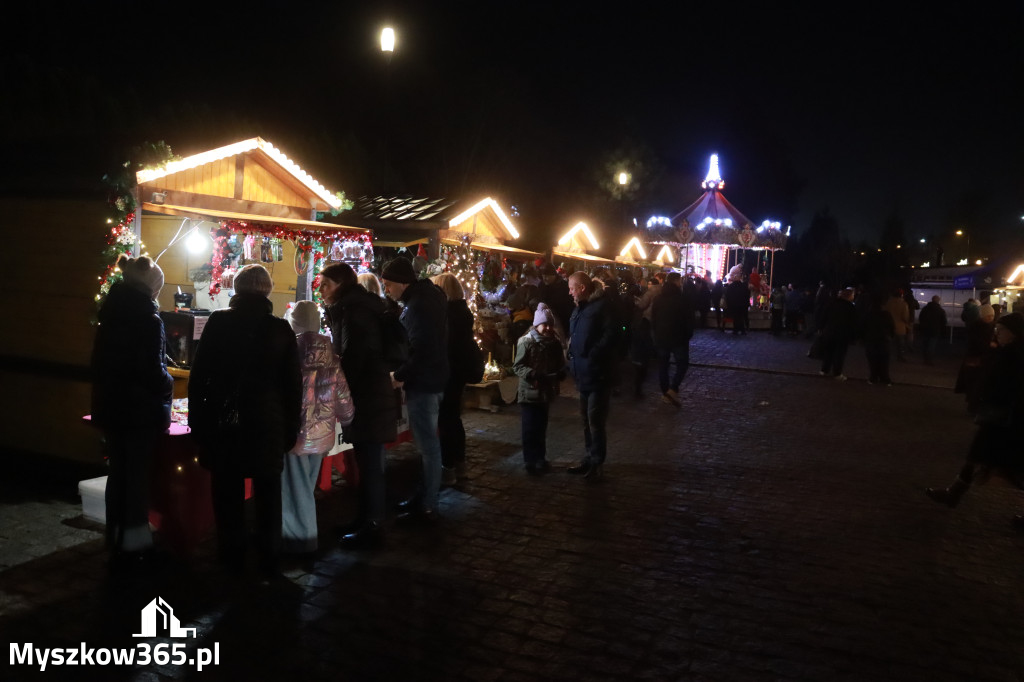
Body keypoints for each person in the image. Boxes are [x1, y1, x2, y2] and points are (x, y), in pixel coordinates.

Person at [189, 264, 302, 578]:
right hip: (268, 423)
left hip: (225, 421)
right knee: (268, 494)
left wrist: (198, 422)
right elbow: (293, 386)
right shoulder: (280, 328)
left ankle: (231, 553)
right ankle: (269, 556)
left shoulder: (219, 322)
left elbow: (200, 378)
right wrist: (290, 428)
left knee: (227, 492)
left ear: (236, 289)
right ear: (266, 290)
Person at [90, 254, 173, 571]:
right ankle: (135, 546)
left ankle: (116, 538)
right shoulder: (147, 320)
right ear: (151, 288)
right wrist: (168, 384)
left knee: (119, 476)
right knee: (137, 479)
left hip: (112, 408)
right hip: (139, 412)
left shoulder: (110, 314)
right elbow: (152, 371)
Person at [320, 263, 398, 548]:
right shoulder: (354, 306)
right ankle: (365, 519)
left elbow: (355, 356)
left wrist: (337, 384)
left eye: (325, 284)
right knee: (367, 462)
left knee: (371, 463)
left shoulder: (355, 311)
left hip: (368, 396)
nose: (321, 290)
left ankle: (372, 525)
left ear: (340, 284)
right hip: (368, 394)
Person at [926, 313, 1024, 530]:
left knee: (1011, 467)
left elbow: (1010, 388)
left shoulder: (1015, 356)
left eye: (1002, 330)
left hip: (1007, 420)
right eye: (997, 329)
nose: (997, 333)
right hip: (998, 417)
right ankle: (954, 493)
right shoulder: (1006, 352)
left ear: (1014, 333)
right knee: (978, 456)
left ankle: (954, 493)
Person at [280, 300, 352, 555]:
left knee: (295, 491)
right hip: (322, 436)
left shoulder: (289, 353)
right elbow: (343, 397)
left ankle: (302, 542)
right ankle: (298, 537)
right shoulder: (331, 356)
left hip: (297, 434)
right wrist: (347, 419)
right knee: (305, 487)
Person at [381, 257, 449, 523]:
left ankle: (428, 501)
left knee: (428, 446)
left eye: (388, 285)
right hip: (432, 379)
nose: (387, 290)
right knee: (428, 444)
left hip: (425, 382)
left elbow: (421, 349)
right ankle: (424, 496)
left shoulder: (419, 305)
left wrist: (400, 375)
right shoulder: (426, 297)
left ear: (400, 283)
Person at [566, 271, 619, 479]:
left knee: (595, 420)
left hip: (598, 374)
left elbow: (612, 334)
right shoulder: (580, 308)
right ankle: (589, 458)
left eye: (571, 288)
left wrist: (594, 354)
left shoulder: (603, 306)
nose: (569, 293)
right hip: (583, 373)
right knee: (585, 420)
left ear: (581, 288)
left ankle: (597, 463)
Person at [431, 272, 477, 486]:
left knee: (446, 420)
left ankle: (447, 467)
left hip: (448, 372)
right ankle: (460, 464)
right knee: (454, 419)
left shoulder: (447, 314)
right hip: (458, 372)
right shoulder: (463, 312)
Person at [512, 303, 567, 475]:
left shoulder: (554, 343)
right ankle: (530, 460)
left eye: (550, 324)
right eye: (545, 324)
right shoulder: (526, 342)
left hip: (545, 392)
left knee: (541, 427)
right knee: (530, 428)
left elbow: (560, 364)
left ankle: (540, 458)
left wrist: (560, 374)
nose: (549, 328)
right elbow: (518, 366)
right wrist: (533, 374)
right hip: (529, 391)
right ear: (537, 325)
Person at [651, 272, 694, 407]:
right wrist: (688, 334)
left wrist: (656, 333)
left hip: (661, 337)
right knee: (682, 364)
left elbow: (653, 318)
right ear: (676, 282)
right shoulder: (683, 299)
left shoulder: (658, 299)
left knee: (663, 365)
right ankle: (672, 389)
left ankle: (666, 392)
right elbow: (689, 319)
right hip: (679, 337)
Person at [955, 303, 997, 415]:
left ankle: (975, 405)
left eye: (992, 316)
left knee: (978, 383)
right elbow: (973, 343)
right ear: (982, 316)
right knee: (974, 382)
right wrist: (989, 344)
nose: (990, 318)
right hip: (975, 358)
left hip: (983, 359)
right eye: (988, 316)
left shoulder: (992, 326)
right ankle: (972, 405)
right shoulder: (976, 327)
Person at [819, 288, 857, 380]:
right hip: (842, 334)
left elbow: (823, 316)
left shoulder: (832, 304)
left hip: (830, 331)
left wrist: (821, 328)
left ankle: (824, 370)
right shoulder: (850, 307)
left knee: (829, 352)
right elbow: (854, 322)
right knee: (839, 354)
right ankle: (837, 373)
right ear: (849, 296)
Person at [860, 293, 894, 386]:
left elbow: (862, 327)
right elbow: (892, 327)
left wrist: (863, 338)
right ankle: (885, 379)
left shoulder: (868, 314)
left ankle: (873, 377)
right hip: (884, 340)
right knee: (884, 361)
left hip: (871, 339)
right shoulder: (886, 314)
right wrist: (890, 336)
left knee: (872, 360)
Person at [917, 295, 947, 365]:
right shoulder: (940, 310)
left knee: (925, 344)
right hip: (935, 330)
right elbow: (944, 322)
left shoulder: (925, 309)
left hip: (925, 329)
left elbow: (920, 318)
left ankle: (925, 359)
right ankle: (929, 360)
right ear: (938, 301)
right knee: (931, 346)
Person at [883, 289, 910, 361]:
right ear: (901, 295)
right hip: (900, 326)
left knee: (889, 342)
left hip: (889, 326)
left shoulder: (888, 303)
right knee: (900, 343)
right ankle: (900, 356)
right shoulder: (904, 304)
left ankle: (886, 356)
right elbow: (905, 316)